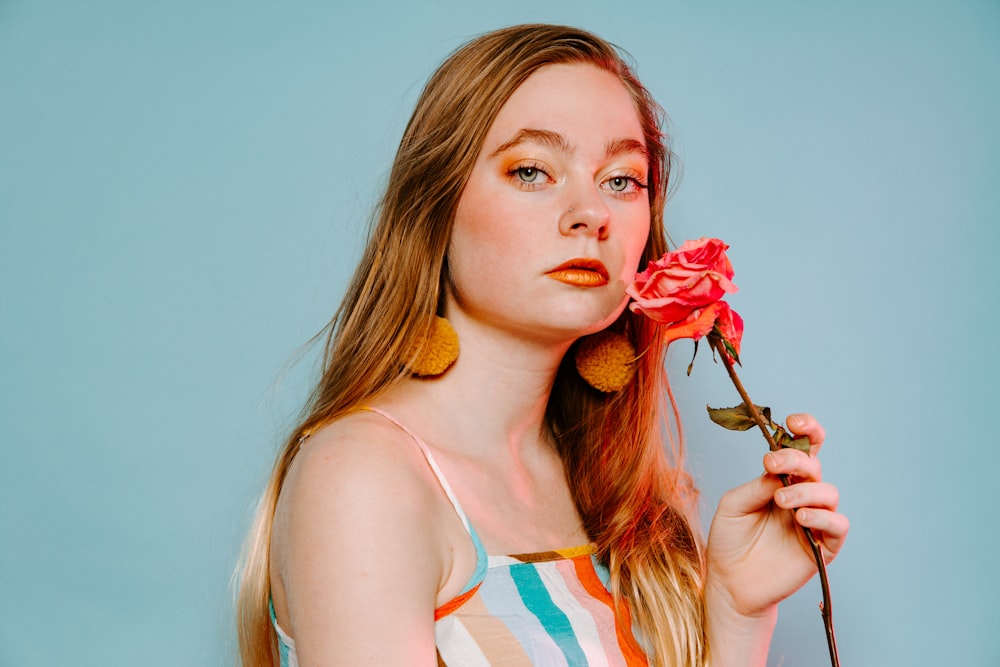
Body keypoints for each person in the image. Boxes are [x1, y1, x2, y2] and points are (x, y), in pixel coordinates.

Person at [235, 23, 849, 667]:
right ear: (436, 206)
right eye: (532, 171)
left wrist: (736, 618)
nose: (591, 213)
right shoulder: (365, 477)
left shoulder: (615, 496)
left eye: (622, 179)